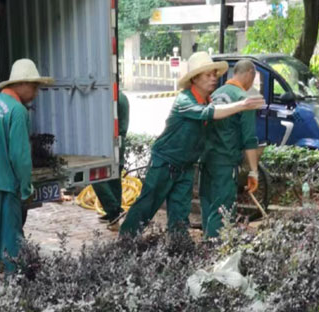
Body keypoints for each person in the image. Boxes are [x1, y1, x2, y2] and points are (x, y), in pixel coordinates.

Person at [119, 52, 264, 238]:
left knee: (180, 215)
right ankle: (125, 241)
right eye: (208, 75)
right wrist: (242, 105)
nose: (213, 79)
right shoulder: (185, 100)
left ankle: (178, 247)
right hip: (164, 163)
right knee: (146, 207)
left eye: (214, 75)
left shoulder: (210, 99)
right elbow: (208, 113)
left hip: (186, 167)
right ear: (195, 78)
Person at [0, 58, 53, 288]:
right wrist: (26, 189)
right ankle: (14, 291)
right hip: (5, 186)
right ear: (22, 84)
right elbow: (20, 156)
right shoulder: (18, 111)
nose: (36, 93)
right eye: (34, 86)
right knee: (11, 242)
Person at [200, 58, 261, 237]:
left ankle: (205, 246)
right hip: (225, 163)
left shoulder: (213, 95)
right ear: (249, 74)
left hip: (206, 160)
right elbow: (249, 140)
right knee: (222, 212)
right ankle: (214, 249)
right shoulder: (244, 100)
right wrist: (253, 172)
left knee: (208, 206)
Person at [94, 90, 130, 228]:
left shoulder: (111, 97)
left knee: (96, 177)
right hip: (119, 142)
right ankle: (113, 215)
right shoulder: (122, 97)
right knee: (114, 178)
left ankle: (113, 210)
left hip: (110, 142)